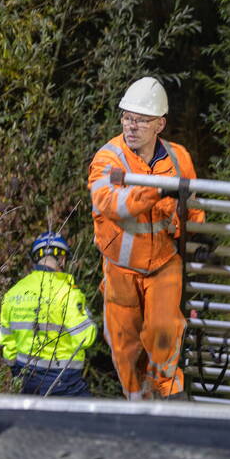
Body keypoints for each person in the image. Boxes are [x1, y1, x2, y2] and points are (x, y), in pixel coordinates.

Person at [87, 77, 208, 400]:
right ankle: (136, 401)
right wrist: (155, 190)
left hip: (164, 264)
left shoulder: (179, 158)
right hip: (121, 270)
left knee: (164, 332)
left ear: (160, 124)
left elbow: (192, 207)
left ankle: (169, 396)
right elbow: (111, 204)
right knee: (124, 347)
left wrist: (196, 237)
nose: (132, 126)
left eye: (141, 120)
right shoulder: (108, 159)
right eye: (127, 117)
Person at [0, 231, 96, 397]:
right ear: (62, 259)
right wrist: (88, 318)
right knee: (88, 420)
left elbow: (7, 341)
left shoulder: (14, 292)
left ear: (36, 258)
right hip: (64, 380)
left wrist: (16, 370)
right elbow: (85, 338)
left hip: (26, 377)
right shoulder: (67, 293)